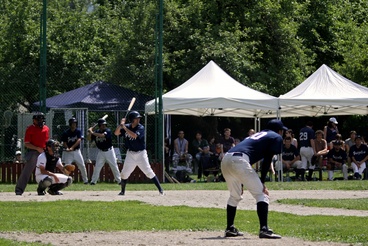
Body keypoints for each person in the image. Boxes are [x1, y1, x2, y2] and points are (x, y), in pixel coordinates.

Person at [221, 119, 286, 239]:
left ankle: (230, 228)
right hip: (239, 161)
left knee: (235, 196)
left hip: (226, 159)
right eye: (282, 130)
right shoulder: (275, 136)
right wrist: (262, 182)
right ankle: (264, 229)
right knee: (262, 194)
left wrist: (240, 180)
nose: (282, 133)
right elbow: (267, 160)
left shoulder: (257, 135)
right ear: (279, 130)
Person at [114, 111, 164, 195]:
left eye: (138, 118)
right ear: (132, 120)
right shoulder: (126, 126)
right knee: (124, 173)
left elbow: (134, 135)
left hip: (141, 154)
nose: (138, 120)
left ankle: (160, 190)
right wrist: (120, 125)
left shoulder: (140, 127)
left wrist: (124, 128)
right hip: (130, 154)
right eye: (136, 118)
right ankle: (122, 191)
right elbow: (116, 133)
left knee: (148, 171)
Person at [15, 112, 50, 195]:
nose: (40, 121)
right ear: (34, 120)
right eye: (38, 120)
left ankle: (42, 189)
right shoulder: (30, 128)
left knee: (45, 171)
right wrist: (37, 148)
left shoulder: (46, 128)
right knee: (27, 171)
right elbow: (27, 143)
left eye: (42, 119)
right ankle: (19, 190)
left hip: (44, 152)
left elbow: (47, 141)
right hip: (34, 152)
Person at [87, 118, 121, 185]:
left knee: (114, 166)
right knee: (97, 167)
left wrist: (92, 132)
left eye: (105, 125)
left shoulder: (107, 130)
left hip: (109, 151)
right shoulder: (96, 132)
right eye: (102, 125)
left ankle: (119, 181)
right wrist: (89, 132)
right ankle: (93, 181)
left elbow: (102, 135)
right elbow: (88, 139)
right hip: (101, 152)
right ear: (99, 125)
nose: (104, 126)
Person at [61, 117, 89, 184]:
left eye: (75, 123)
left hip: (77, 151)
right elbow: (64, 142)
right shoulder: (66, 133)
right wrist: (67, 148)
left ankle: (86, 180)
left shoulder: (78, 131)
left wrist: (72, 147)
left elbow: (79, 140)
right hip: (68, 153)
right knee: (67, 166)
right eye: (72, 123)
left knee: (82, 165)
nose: (74, 125)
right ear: (70, 124)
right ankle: (65, 181)